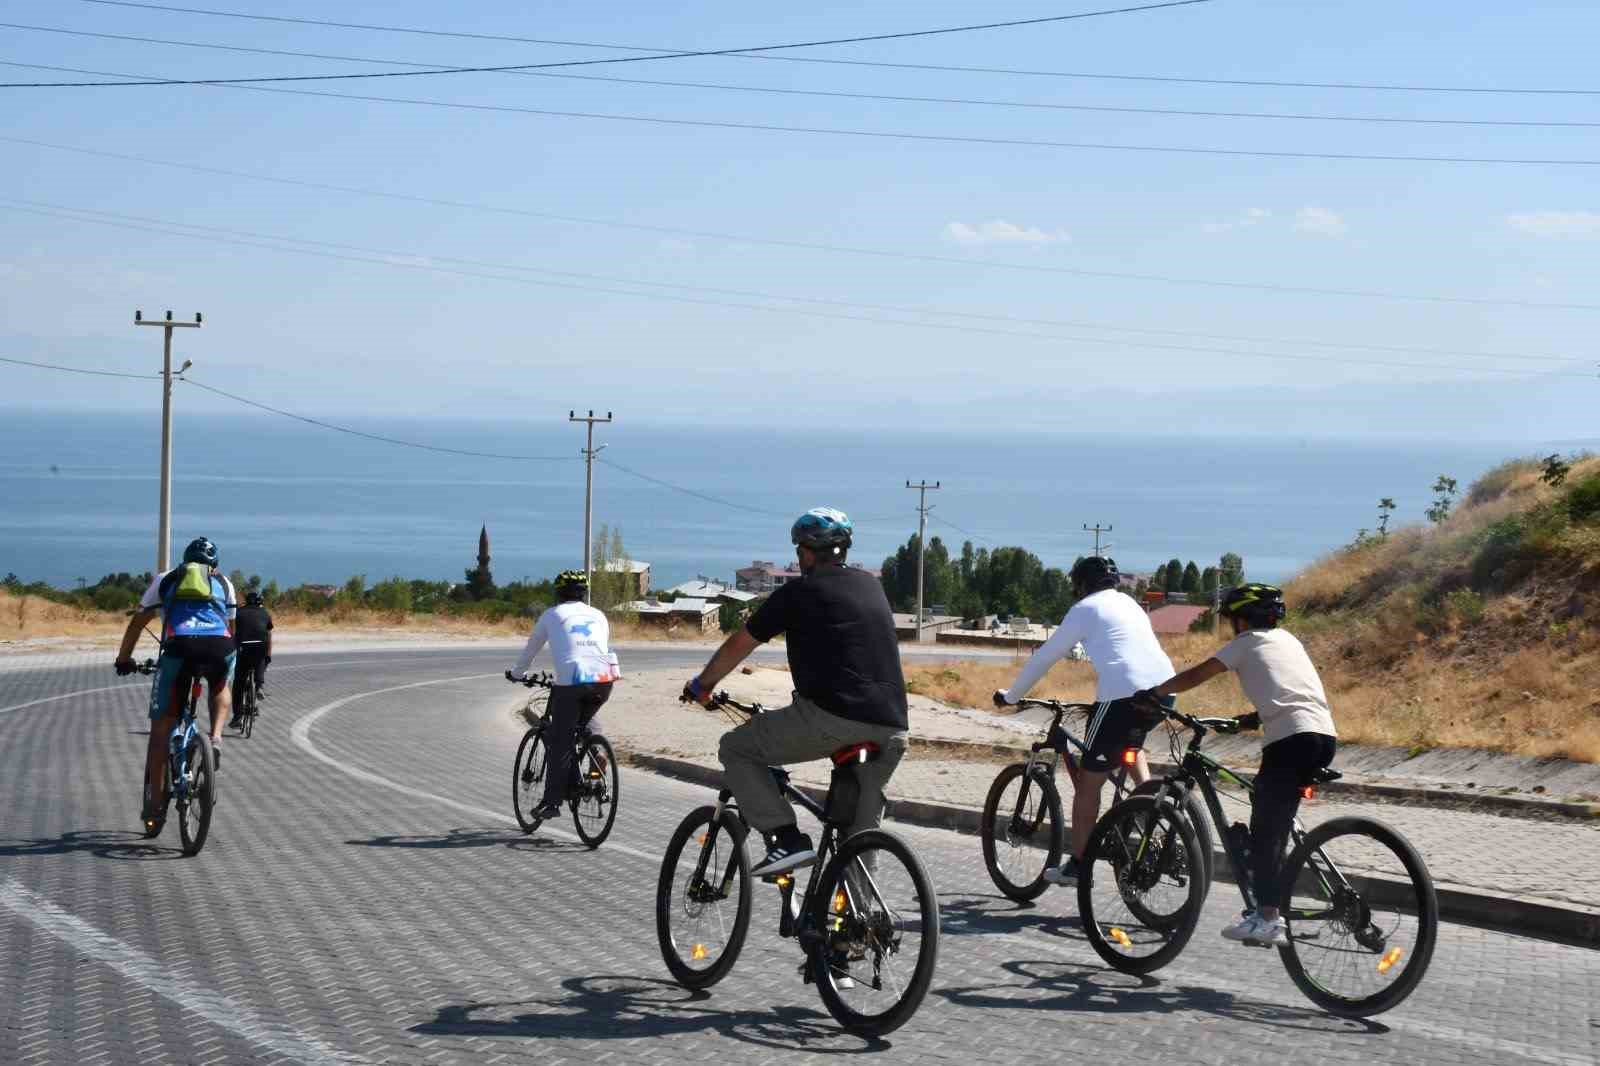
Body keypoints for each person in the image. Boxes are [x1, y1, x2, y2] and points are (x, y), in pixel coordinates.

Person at [682, 507, 909, 878]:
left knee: (737, 748)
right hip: (893, 726)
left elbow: (740, 645)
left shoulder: (799, 592)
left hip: (831, 719)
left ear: (805, 552)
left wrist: (703, 685)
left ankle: (786, 839)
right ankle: (859, 927)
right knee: (859, 834)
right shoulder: (872, 586)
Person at [1138, 583, 1337, 947]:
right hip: (1323, 736)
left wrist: (1155, 695)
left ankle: (1267, 918)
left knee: (1265, 832)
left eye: (1233, 619)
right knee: (1273, 820)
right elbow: (1289, 691)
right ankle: (1267, 899)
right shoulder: (1290, 642)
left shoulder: (1245, 643)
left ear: (1243, 619)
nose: (1232, 625)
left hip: (1289, 741)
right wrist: (1250, 718)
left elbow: (1198, 674)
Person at [993, 555, 1175, 886]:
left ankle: (1079, 866)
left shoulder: (1085, 609)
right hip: (1165, 690)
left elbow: (1045, 657)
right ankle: (1148, 810)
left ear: (1080, 584)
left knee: (1090, 782)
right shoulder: (1130, 604)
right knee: (1131, 744)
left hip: (1123, 695)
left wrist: (1012, 696)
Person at [114, 537, 238, 827]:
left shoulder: (166, 578)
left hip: (180, 648)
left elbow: (138, 621)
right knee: (221, 686)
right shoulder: (225, 583)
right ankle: (216, 736)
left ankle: (154, 808)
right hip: (219, 648)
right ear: (214, 565)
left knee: (160, 733)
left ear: (185, 560)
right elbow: (231, 629)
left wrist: (124, 658)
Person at [508, 570, 621, 822]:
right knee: (583, 719)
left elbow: (531, 648)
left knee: (559, 740)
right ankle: (596, 753)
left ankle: (551, 803)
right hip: (604, 678)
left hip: (571, 680)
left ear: (558, 593)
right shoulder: (599, 615)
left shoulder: (552, 614)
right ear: (584, 593)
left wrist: (518, 673)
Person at [233, 590, 273, 711]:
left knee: (238, 683)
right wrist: (268, 655)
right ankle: (259, 685)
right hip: (260, 647)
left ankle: (237, 717)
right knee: (261, 658)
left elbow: (233, 633)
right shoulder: (265, 613)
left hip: (243, 648)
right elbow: (269, 635)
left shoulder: (238, 612)